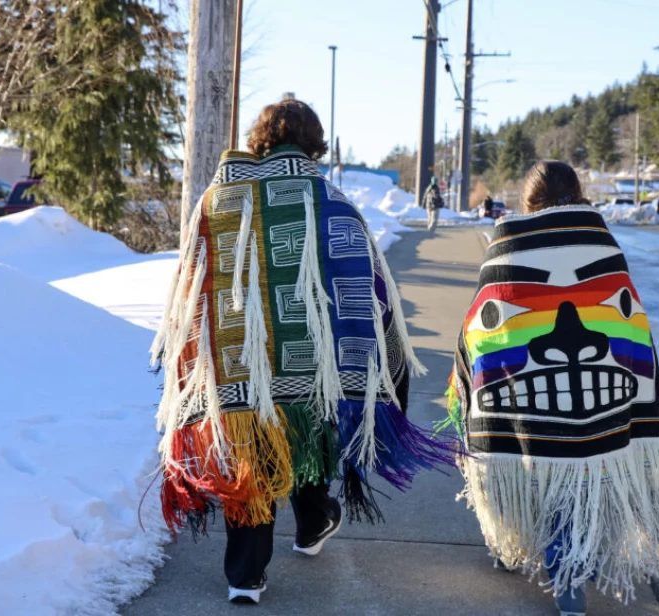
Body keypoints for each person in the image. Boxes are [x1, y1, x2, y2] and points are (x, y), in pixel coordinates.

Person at [151, 99, 453, 605]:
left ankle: (245, 574)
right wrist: (387, 368)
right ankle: (313, 522)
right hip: (308, 363)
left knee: (251, 446)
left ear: (260, 140)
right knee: (308, 430)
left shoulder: (215, 200)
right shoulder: (329, 199)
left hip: (234, 362)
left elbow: (188, 290)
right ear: (313, 145)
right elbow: (369, 284)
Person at [442, 160, 659, 615]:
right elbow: (633, 329)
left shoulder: (506, 247)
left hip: (525, 395)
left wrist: (466, 381)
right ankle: (569, 585)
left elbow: (478, 333)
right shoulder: (603, 243)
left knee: (524, 464)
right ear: (579, 193)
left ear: (530, 200)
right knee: (577, 478)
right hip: (597, 393)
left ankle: (513, 547)